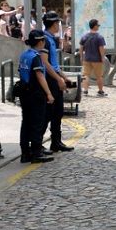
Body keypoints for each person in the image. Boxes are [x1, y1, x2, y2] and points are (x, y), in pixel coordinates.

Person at [16, 30, 53, 163]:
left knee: (26, 122)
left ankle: (25, 153)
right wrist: (49, 93)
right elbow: (40, 75)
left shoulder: (24, 55)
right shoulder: (36, 57)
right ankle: (37, 153)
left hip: (24, 92)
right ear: (41, 42)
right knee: (37, 123)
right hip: (35, 93)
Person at [40, 13, 73, 153]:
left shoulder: (51, 39)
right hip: (49, 80)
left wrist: (63, 77)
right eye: (58, 23)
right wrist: (58, 79)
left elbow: (54, 63)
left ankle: (56, 141)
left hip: (54, 77)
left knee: (57, 111)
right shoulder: (45, 40)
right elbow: (44, 62)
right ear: (54, 24)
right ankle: (37, 143)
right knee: (48, 113)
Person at [79, 19, 107, 98]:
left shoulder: (84, 36)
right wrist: (102, 57)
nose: (98, 27)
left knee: (86, 75)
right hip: (97, 59)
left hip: (87, 59)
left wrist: (81, 57)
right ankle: (100, 91)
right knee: (99, 76)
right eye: (98, 25)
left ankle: (85, 90)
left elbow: (81, 48)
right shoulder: (99, 37)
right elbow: (101, 48)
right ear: (94, 26)